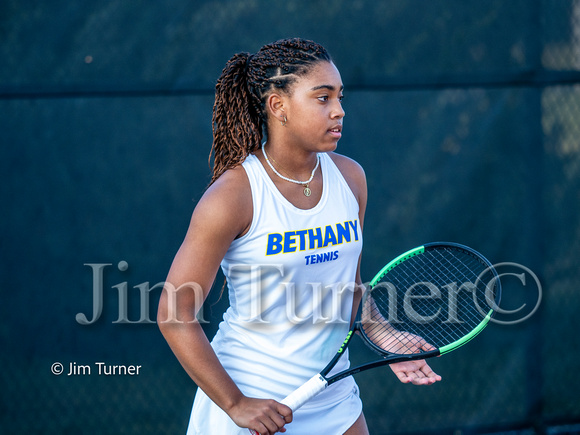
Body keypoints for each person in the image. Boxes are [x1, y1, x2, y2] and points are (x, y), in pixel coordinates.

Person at [158, 38, 441, 435]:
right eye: (322, 98)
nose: (339, 111)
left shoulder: (350, 178)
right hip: (254, 404)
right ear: (278, 107)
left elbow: (350, 286)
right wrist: (236, 403)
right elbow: (174, 314)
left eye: (340, 97)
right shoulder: (233, 195)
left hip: (334, 398)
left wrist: (385, 337)